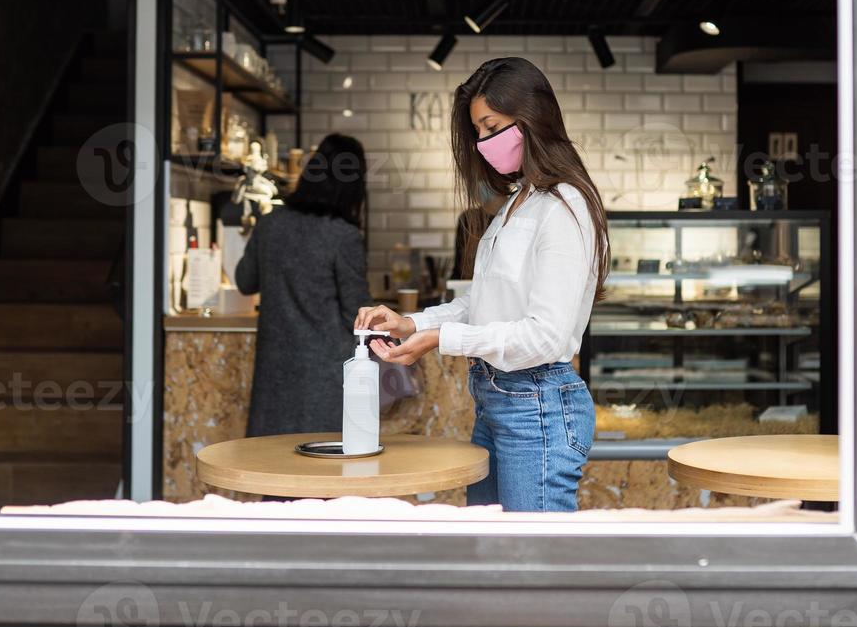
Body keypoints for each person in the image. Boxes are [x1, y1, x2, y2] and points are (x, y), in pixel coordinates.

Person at [356, 58, 609, 512]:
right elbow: (483, 302)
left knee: (529, 569)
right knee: (494, 558)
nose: (483, 143)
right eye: (479, 132)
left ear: (531, 117)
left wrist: (441, 339)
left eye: (492, 127)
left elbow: (544, 336)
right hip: (498, 401)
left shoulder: (564, 207)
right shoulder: (521, 202)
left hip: (537, 409)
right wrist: (411, 323)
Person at [236, 134, 371, 437]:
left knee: (275, 466)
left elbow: (245, 282)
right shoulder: (343, 235)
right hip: (326, 376)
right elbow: (359, 313)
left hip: (275, 372)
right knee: (322, 470)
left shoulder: (270, 224)